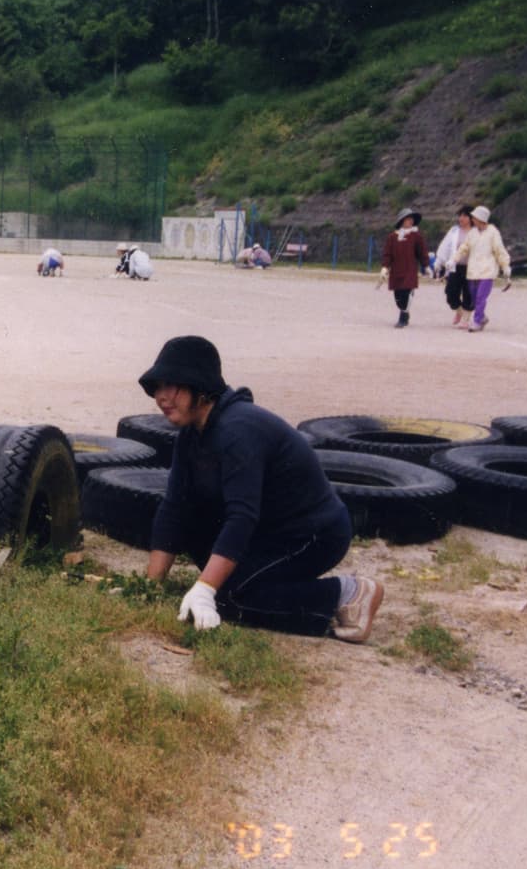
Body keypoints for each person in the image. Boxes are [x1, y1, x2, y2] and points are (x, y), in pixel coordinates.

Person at [138, 336, 381, 643]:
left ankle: (346, 593)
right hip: (269, 529)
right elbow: (174, 508)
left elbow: (242, 516)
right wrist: (149, 588)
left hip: (314, 534)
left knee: (229, 599)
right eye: (157, 387)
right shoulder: (192, 432)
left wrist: (206, 589)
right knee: (194, 527)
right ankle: (246, 581)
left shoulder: (238, 430)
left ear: (200, 386)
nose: (161, 397)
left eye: (172, 385)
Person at [453, 204, 512, 333]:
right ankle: (482, 317)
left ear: (481, 219)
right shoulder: (472, 233)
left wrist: (505, 266)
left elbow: (500, 251)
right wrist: (454, 259)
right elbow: (464, 247)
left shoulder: (493, 232)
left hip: (487, 271)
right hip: (473, 271)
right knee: (474, 298)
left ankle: (477, 321)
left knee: (481, 297)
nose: (472, 219)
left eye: (474, 217)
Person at [381, 207, 428, 328]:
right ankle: (405, 313)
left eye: (412, 219)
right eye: (408, 219)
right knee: (398, 298)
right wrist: (385, 267)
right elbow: (387, 254)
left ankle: (402, 317)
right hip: (396, 272)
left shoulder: (416, 236)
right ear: (401, 220)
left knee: (407, 293)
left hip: (410, 271)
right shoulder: (392, 237)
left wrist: (426, 265)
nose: (411, 221)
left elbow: (422, 252)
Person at [435, 205, 475, 327]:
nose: (461, 218)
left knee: (469, 293)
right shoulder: (454, 231)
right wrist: (439, 262)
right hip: (455, 267)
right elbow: (445, 246)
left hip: (471, 268)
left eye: (464, 216)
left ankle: (466, 319)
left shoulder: (477, 232)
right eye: (460, 215)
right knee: (450, 293)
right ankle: (459, 311)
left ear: (471, 218)